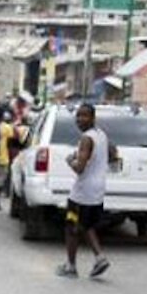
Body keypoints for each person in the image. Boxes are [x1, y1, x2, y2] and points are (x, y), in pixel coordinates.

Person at [56, 103, 113, 277]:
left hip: (82, 192)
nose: (80, 119)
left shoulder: (86, 138)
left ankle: (71, 266)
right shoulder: (101, 134)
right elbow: (112, 153)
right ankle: (99, 258)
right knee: (87, 225)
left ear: (93, 118)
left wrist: (69, 161)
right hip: (98, 189)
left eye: (85, 116)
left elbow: (79, 168)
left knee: (71, 226)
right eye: (78, 116)